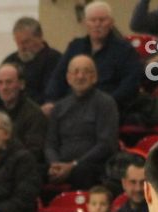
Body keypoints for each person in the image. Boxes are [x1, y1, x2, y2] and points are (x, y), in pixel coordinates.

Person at [42, 1, 143, 112]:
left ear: (111, 23)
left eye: (102, 20)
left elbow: (130, 86)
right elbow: (58, 77)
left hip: (107, 109)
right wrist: (51, 101)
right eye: (93, 20)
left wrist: (106, 104)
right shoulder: (75, 46)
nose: (97, 24)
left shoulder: (125, 50)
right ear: (86, 23)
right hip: (71, 107)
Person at [44, 54, 119, 189]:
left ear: (94, 77)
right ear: (68, 78)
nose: (80, 76)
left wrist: (73, 165)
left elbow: (106, 144)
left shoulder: (105, 103)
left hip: (92, 166)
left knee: (83, 171)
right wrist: (54, 164)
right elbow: (50, 144)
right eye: (76, 72)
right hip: (61, 164)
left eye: (86, 72)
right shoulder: (59, 107)